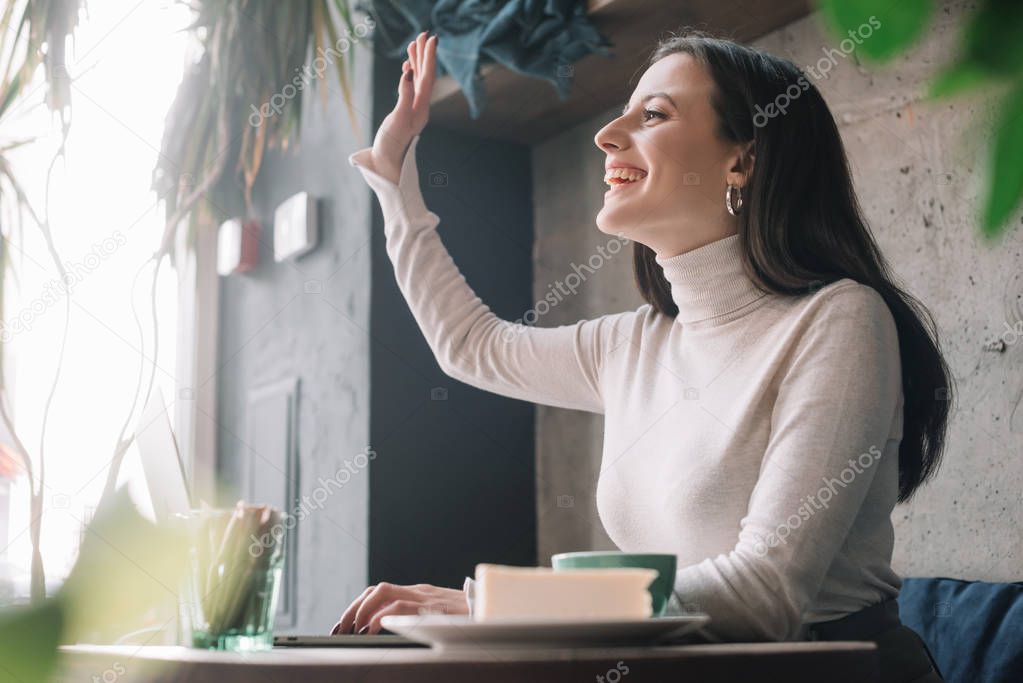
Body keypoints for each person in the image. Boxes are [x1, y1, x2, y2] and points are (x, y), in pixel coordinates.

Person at [334, 28, 949, 683]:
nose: (608, 134)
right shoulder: (634, 343)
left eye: (652, 114)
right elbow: (471, 346)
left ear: (741, 161)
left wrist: (490, 605)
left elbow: (764, 593)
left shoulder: (839, 318)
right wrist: (395, 173)